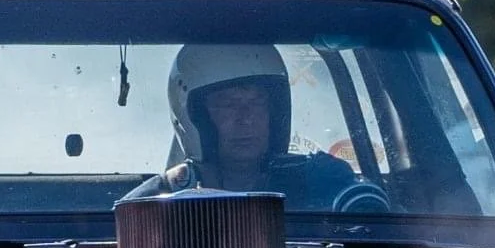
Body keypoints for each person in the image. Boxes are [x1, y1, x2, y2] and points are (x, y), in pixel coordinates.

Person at [126, 42, 379, 210]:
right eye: (227, 104)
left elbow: (375, 227)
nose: (245, 118)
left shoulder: (321, 180)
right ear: (195, 116)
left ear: (275, 111)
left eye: (258, 102)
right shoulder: (160, 199)